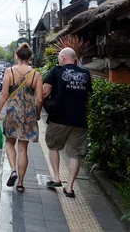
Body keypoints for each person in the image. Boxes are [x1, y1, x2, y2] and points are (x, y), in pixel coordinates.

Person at [42, 47, 91, 198]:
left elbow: (44, 91)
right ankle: (69, 188)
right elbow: (87, 95)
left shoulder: (56, 71)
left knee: (53, 146)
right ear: (74, 59)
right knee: (75, 154)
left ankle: (56, 178)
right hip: (79, 120)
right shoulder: (86, 74)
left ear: (63, 58)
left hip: (59, 118)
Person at [0, 43, 43, 194]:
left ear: (16, 56)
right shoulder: (36, 75)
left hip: (12, 113)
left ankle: (13, 170)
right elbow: (40, 99)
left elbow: (3, 95)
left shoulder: (10, 72)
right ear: (29, 57)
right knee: (23, 149)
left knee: (9, 143)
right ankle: (21, 183)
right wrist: (38, 113)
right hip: (28, 114)